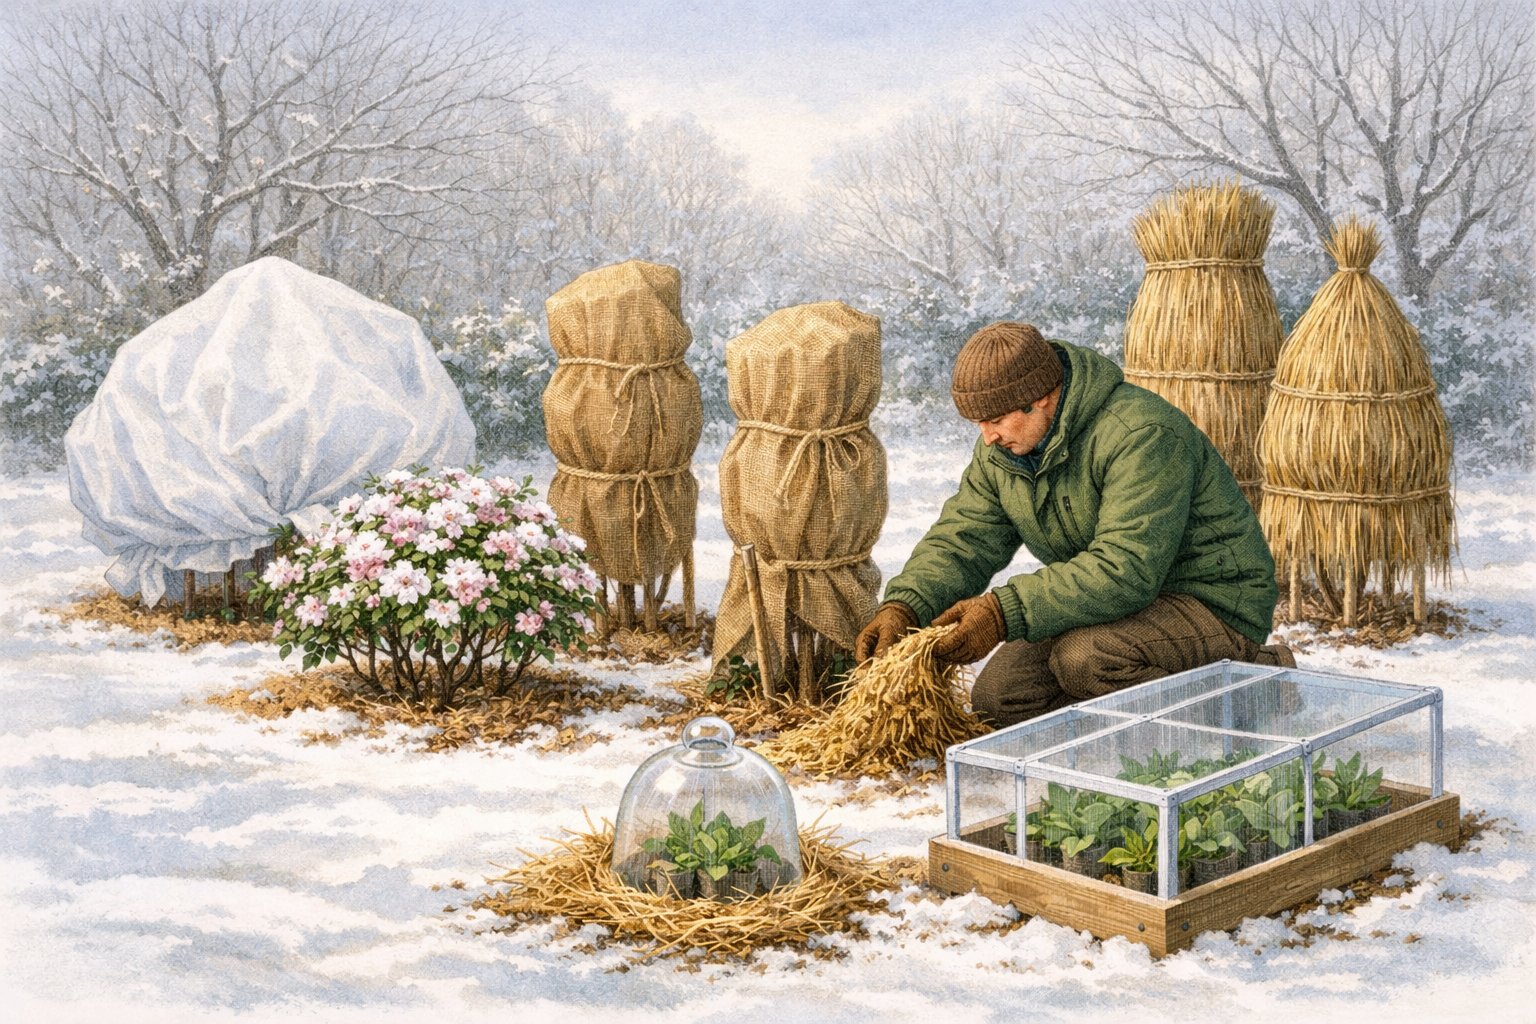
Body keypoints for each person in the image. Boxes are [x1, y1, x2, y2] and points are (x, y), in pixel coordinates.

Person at [854, 321, 1293, 728]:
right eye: (979, 423)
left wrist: (1003, 612)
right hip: (1109, 603)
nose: (987, 437)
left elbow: (1125, 570)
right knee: (1000, 698)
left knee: (1085, 659)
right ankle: (1121, 723)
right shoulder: (1003, 452)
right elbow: (963, 538)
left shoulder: (1140, 434)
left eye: (997, 420)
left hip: (1209, 599)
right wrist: (907, 606)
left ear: (1041, 397)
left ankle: (1255, 685)